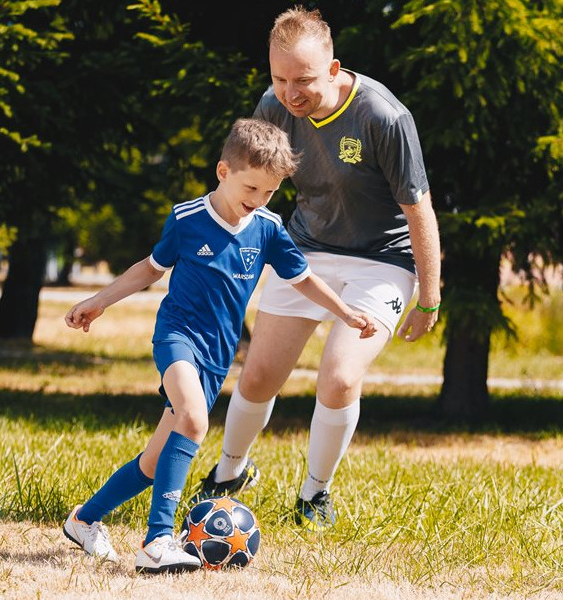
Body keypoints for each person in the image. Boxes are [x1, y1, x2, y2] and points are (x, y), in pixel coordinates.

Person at [62, 117, 376, 574]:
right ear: (223, 172)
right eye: (251, 188)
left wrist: (345, 313)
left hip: (217, 356)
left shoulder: (267, 228)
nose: (259, 199)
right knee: (193, 419)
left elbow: (303, 278)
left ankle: (84, 520)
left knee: (154, 461)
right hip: (177, 337)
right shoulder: (187, 219)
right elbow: (149, 268)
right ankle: (157, 541)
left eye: (270, 192)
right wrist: (99, 301)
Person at [194, 6, 441, 531]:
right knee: (259, 375)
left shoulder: (383, 117)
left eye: (303, 80)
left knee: (339, 378)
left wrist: (429, 297)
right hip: (306, 250)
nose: (290, 93)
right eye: (279, 78)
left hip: (382, 260)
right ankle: (228, 474)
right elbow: (248, 182)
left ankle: (314, 494)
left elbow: (419, 210)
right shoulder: (273, 105)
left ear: (332, 69)